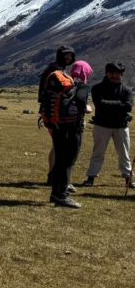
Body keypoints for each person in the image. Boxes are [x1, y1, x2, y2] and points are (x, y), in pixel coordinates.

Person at [44, 60, 93, 208]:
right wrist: (87, 107)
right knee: (68, 162)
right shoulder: (81, 87)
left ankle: (55, 193)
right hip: (73, 128)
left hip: (58, 126)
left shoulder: (63, 83)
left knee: (60, 160)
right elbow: (83, 107)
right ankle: (62, 195)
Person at [78, 62, 133, 188]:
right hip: (102, 126)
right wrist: (120, 105)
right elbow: (100, 104)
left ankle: (128, 179)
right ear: (107, 73)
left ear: (122, 74)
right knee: (98, 152)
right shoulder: (97, 88)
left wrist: (107, 104)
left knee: (124, 154)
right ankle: (91, 177)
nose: (115, 76)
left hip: (120, 126)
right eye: (112, 73)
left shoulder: (126, 90)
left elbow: (128, 106)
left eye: (118, 73)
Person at [39, 46, 76, 184]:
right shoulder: (54, 71)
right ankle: (54, 175)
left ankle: (53, 175)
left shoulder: (59, 69)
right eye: (66, 55)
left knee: (57, 145)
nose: (68, 58)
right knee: (59, 145)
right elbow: (49, 94)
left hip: (56, 112)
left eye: (70, 56)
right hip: (54, 113)